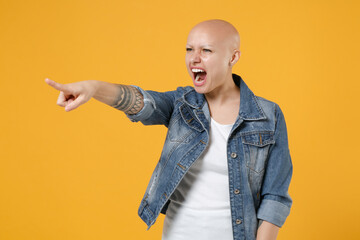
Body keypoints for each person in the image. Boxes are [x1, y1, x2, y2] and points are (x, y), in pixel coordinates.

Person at [45, 19, 292, 240]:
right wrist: (93, 87)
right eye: (189, 49)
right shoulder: (181, 104)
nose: (194, 58)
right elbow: (142, 102)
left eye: (206, 50)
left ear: (233, 57)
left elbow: (275, 196)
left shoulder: (268, 115)